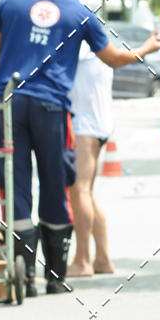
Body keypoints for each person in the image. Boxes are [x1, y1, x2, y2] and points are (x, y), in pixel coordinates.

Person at [0, 0, 160, 296]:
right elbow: (112, 58)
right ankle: (54, 275)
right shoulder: (79, 12)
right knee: (56, 183)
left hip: (10, 102)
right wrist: (148, 48)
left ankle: (23, 273)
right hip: (51, 107)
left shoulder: (10, 2)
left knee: (15, 182)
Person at [66, 43, 114, 277]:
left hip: (84, 126)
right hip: (97, 124)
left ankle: (82, 260)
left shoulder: (81, 46)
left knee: (80, 191)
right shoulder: (99, 45)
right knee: (87, 193)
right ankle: (102, 259)